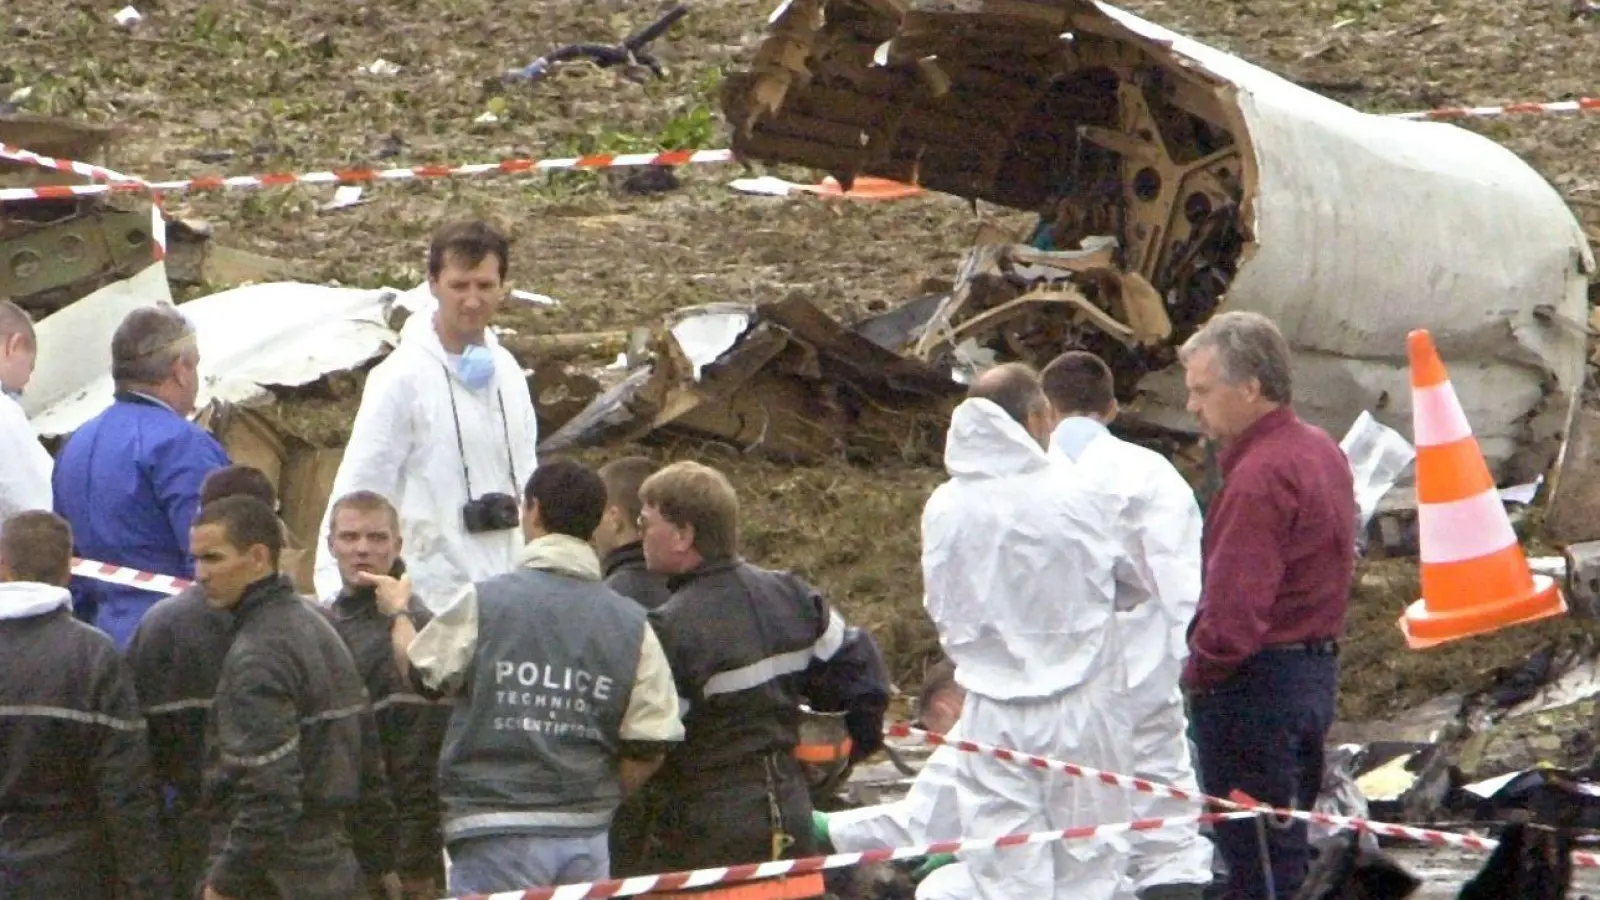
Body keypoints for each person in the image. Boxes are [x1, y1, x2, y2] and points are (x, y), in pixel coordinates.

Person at [398, 459, 683, 893]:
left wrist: (399, 612)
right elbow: (652, 741)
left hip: (493, 828)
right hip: (585, 836)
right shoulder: (631, 622)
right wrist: (596, 796)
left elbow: (423, 674)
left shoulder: (486, 601)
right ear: (596, 521)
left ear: (531, 511)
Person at [922, 362, 1139, 900]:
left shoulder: (944, 506)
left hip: (990, 711)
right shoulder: (1078, 492)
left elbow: (939, 603)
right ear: (1040, 416)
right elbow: (1135, 582)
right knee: (1090, 866)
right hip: (1081, 707)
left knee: (1005, 874)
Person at [1177, 311, 1356, 900]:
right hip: (1312, 675)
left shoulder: (1258, 477)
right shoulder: (1320, 450)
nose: (1192, 407)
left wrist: (1197, 676)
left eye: (1202, 390)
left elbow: (1233, 613)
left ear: (1248, 388)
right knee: (1286, 849)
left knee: (1257, 862)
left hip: (1256, 691)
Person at [639, 461, 892, 873]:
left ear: (683, 535)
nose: (640, 534)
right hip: (792, 814)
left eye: (646, 522)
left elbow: (649, 744)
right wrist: (847, 759)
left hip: (705, 830)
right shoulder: (793, 597)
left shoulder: (670, 627)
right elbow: (865, 682)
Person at [1040, 351, 1214, 900]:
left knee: (1070, 820)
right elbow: (1183, 584)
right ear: (1112, 408)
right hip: (1143, 668)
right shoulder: (1148, 474)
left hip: (1049, 682)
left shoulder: (1022, 478)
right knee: (1162, 809)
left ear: (1045, 409)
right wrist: (1192, 665)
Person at [314, 221, 539, 607]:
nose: (472, 300)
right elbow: (362, 484)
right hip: (431, 599)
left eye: (484, 286)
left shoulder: (508, 373)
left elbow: (527, 473)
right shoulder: (401, 378)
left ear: (503, 286)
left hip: (508, 593)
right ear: (433, 284)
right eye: (460, 285)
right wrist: (340, 593)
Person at [191, 496, 400, 900]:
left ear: (257, 558)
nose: (200, 574)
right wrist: (379, 861)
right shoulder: (320, 628)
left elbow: (270, 794)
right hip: (336, 867)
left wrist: (225, 884)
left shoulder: (259, 654)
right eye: (197, 559)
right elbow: (368, 763)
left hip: (275, 876)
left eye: (213, 558)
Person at [124, 465, 282, 900]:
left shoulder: (158, 627)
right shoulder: (310, 628)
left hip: (193, 837)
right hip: (293, 850)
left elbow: (134, 762)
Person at [0, 511, 168, 899]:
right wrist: (146, 884)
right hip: (70, 871)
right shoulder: (95, 656)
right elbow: (126, 788)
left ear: (3, 567)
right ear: (68, 572)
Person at [53, 303, 230, 647]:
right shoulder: (183, 446)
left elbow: (66, 559)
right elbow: (217, 556)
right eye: (196, 366)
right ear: (180, 370)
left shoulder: (76, 444)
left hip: (92, 642)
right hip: (175, 645)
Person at [321, 489, 451, 898]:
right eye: (350, 537)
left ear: (397, 545)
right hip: (339, 841)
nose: (362, 549)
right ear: (331, 545)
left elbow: (420, 754)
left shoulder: (414, 629)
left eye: (376, 538)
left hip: (396, 854)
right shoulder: (324, 622)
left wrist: (413, 860)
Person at [814, 659, 973, 900]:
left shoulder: (970, 738)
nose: (938, 744)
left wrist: (827, 826)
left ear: (944, 709)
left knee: (938, 891)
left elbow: (915, 824)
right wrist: (965, 849)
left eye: (936, 733)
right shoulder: (1031, 713)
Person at [593, 455, 671, 611]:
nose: (592, 528)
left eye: (596, 514)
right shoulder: (698, 591)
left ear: (614, 519)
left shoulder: (605, 600)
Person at [0, 300, 52, 523]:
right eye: (29, 367)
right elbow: (42, 508)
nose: (25, 385)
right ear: (14, 345)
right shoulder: (5, 414)